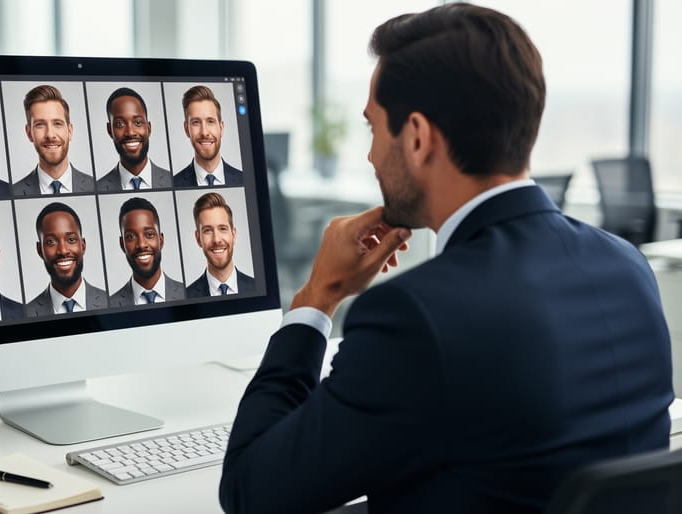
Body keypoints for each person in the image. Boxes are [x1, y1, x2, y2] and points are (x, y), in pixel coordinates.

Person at [219, 4, 673, 514]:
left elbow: (250, 492)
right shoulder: (628, 268)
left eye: (373, 130)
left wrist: (318, 295)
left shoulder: (417, 318)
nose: (370, 157)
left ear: (416, 137)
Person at [26, 202, 107, 316]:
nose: (63, 251)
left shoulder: (110, 301)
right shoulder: (27, 314)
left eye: (71, 240)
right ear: (40, 250)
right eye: (51, 242)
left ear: (82, 245)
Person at [12, 85, 95, 196]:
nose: (50, 135)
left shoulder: (96, 186)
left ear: (70, 131)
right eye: (40, 125)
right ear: (29, 133)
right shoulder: (14, 192)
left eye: (57, 124)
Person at [109, 196, 184, 306]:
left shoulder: (187, 292)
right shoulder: (111, 304)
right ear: (122, 244)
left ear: (161, 240)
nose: (141, 245)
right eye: (130, 237)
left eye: (149, 234)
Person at [97, 87, 172, 191]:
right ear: (110, 131)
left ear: (148, 128)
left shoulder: (173, 180)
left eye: (138, 123)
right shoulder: (98, 188)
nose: (130, 132)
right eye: (120, 124)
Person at [186, 192, 254, 297]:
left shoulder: (255, 287)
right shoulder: (188, 295)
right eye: (207, 230)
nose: (216, 239)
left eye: (222, 229)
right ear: (198, 238)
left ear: (233, 234)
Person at [173, 85, 243, 187]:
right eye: (196, 122)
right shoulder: (175, 183)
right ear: (186, 129)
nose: (204, 132)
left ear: (221, 128)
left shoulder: (244, 179)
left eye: (210, 121)